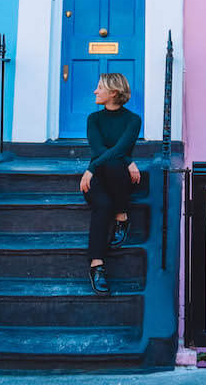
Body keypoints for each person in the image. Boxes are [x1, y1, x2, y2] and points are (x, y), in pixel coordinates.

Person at [80, 72, 141, 295]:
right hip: (97, 180)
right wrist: (129, 161)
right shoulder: (93, 119)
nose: (95, 91)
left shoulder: (133, 120)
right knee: (103, 205)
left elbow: (118, 149)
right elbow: (99, 150)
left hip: (117, 178)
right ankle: (97, 265)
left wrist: (91, 168)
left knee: (115, 164)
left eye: (99, 88)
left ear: (113, 92)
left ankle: (122, 216)